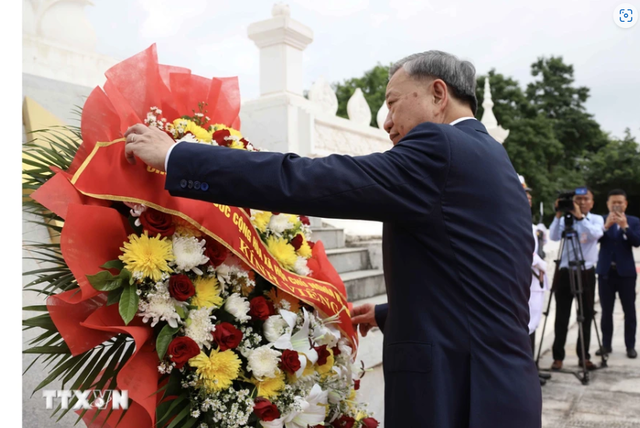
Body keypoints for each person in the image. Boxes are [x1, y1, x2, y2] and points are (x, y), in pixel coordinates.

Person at [123, 50, 541, 428]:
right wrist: (390, 313)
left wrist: (179, 155)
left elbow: (311, 180)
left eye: (393, 102)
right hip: (505, 388)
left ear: (437, 94)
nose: (386, 120)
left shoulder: (440, 146)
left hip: (454, 393)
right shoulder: (495, 159)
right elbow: (485, 281)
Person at [548, 188, 603, 371]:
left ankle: (584, 356)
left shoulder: (595, 219)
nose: (581, 202)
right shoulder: (565, 219)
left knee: (586, 315)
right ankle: (558, 357)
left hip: (585, 271)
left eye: (586, 199)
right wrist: (558, 214)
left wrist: (580, 217)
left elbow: (596, 234)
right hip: (564, 272)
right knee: (561, 317)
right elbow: (553, 236)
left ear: (592, 202)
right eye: (577, 199)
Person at [596, 189, 640, 359]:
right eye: (613, 202)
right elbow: (595, 240)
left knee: (629, 311)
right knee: (606, 311)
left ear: (625, 204)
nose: (616, 205)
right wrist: (606, 226)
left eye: (620, 202)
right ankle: (606, 345)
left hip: (626, 273)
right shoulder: (600, 220)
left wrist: (625, 227)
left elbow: (637, 242)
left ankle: (630, 346)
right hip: (605, 272)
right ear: (608, 204)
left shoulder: (634, 221)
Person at [519, 176, 550, 385]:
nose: (528, 198)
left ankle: (532, 368)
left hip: (534, 282)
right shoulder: (512, 218)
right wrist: (539, 263)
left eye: (529, 195)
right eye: (524, 193)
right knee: (525, 326)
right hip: (523, 279)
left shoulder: (528, 220)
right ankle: (526, 373)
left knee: (533, 324)